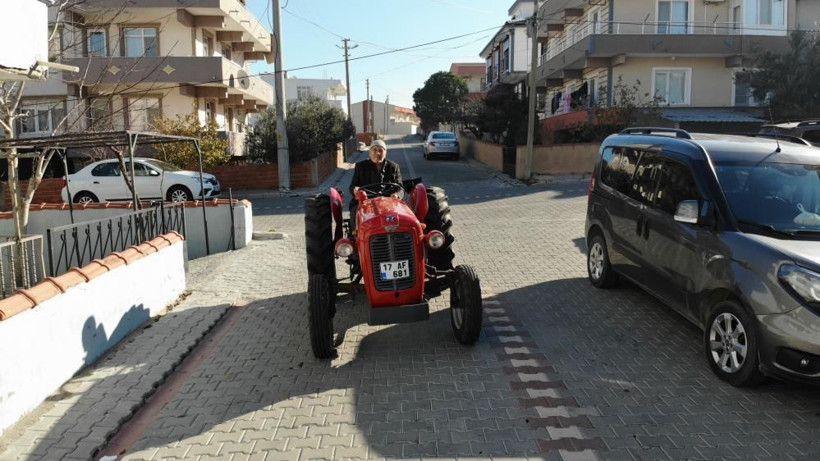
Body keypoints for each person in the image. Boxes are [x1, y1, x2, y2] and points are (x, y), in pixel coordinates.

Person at [348, 139, 403, 234]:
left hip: (389, 201)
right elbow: (352, 186)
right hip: (366, 201)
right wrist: (355, 190)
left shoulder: (393, 167)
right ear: (369, 152)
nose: (377, 153)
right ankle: (356, 234)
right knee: (355, 210)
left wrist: (397, 195)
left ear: (385, 153)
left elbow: (400, 187)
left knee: (403, 214)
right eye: (374, 150)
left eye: (381, 150)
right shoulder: (360, 166)